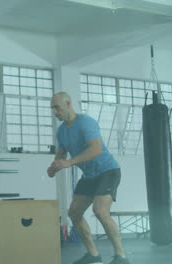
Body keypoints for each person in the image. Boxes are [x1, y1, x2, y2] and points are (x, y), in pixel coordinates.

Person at [47, 92, 130, 264]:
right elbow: (61, 152)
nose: (55, 112)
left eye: (57, 108)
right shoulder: (62, 131)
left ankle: (121, 256)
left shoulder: (85, 122)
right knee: (74, 213)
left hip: (108, 171)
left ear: (68, 104)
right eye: (52, 109)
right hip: (89, 176)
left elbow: (96, 149)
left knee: (100, 211)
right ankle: (93, 254)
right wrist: (54, 166)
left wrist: (69, 162)